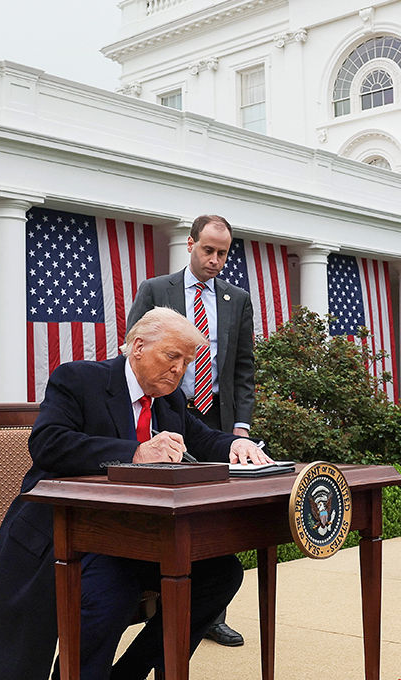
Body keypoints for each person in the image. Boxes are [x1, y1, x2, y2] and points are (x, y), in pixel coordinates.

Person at [0, 307, 271, 680]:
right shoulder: (79, 379)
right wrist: (134, 453)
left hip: (134, 535)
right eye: (172, 356)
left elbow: (201, 437)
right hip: (64, 532)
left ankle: (128, 673)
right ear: (139, 346)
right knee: (110, 589)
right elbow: (48, 444)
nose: (179, 369)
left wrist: (234, 446)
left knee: (221, 573)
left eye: (186, 361)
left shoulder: (170, 400)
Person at [125, 214, 255, 648]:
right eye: (208, 250)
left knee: (216, 517)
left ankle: (209, 613)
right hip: (163, 412)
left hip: (216, 418)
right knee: (169, 509)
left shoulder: (238, 299)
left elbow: (241, 368)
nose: (216, 260)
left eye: (223, 253)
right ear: (190, 244)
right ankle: (163, 597)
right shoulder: (156, 290)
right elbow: (132, 349)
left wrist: (239, 429)